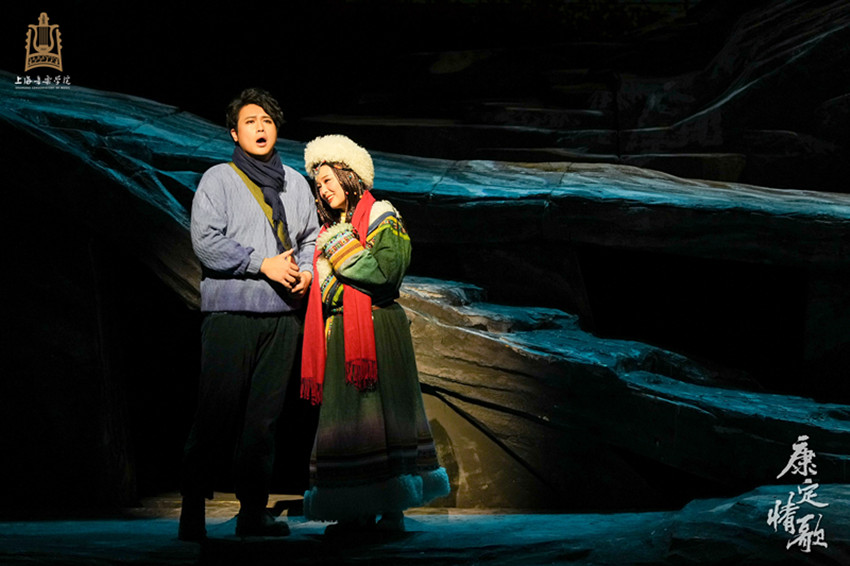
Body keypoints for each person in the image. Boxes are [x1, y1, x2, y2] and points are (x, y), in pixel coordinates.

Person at [178, 88, 320, 541]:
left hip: (282, 317)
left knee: (264, 421)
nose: (260, 128)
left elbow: (310, 238)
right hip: (231, 314)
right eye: (250, 121)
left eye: (267, 121)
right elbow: (206, 241)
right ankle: (192, 511)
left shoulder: (295, 182)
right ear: (234, 133)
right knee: (215, 415)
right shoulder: (218, 179)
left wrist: (307, 272)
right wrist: (262, 263)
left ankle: (252, 513)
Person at [300, 134, 451, 534]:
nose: (323, 189)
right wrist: (338, 270)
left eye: (328, 180)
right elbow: (326, 291)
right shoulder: (333, 227)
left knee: (384, 415)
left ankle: (393, 509)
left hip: (379, 327)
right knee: (351, 419)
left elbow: (384, 275)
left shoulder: (382, 215)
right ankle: (357, 510)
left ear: (349, 175)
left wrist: (339, 249)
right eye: (318, 184)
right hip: (340, 331)